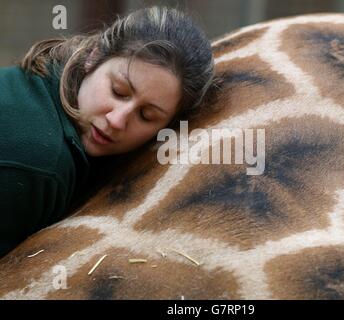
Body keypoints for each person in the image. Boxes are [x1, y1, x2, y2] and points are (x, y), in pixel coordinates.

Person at [0, 6, 215, 258]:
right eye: (118, 91)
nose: (116, 120)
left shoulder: (38, 85)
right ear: (94, 56)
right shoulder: (42, 164)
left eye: (146, 116)